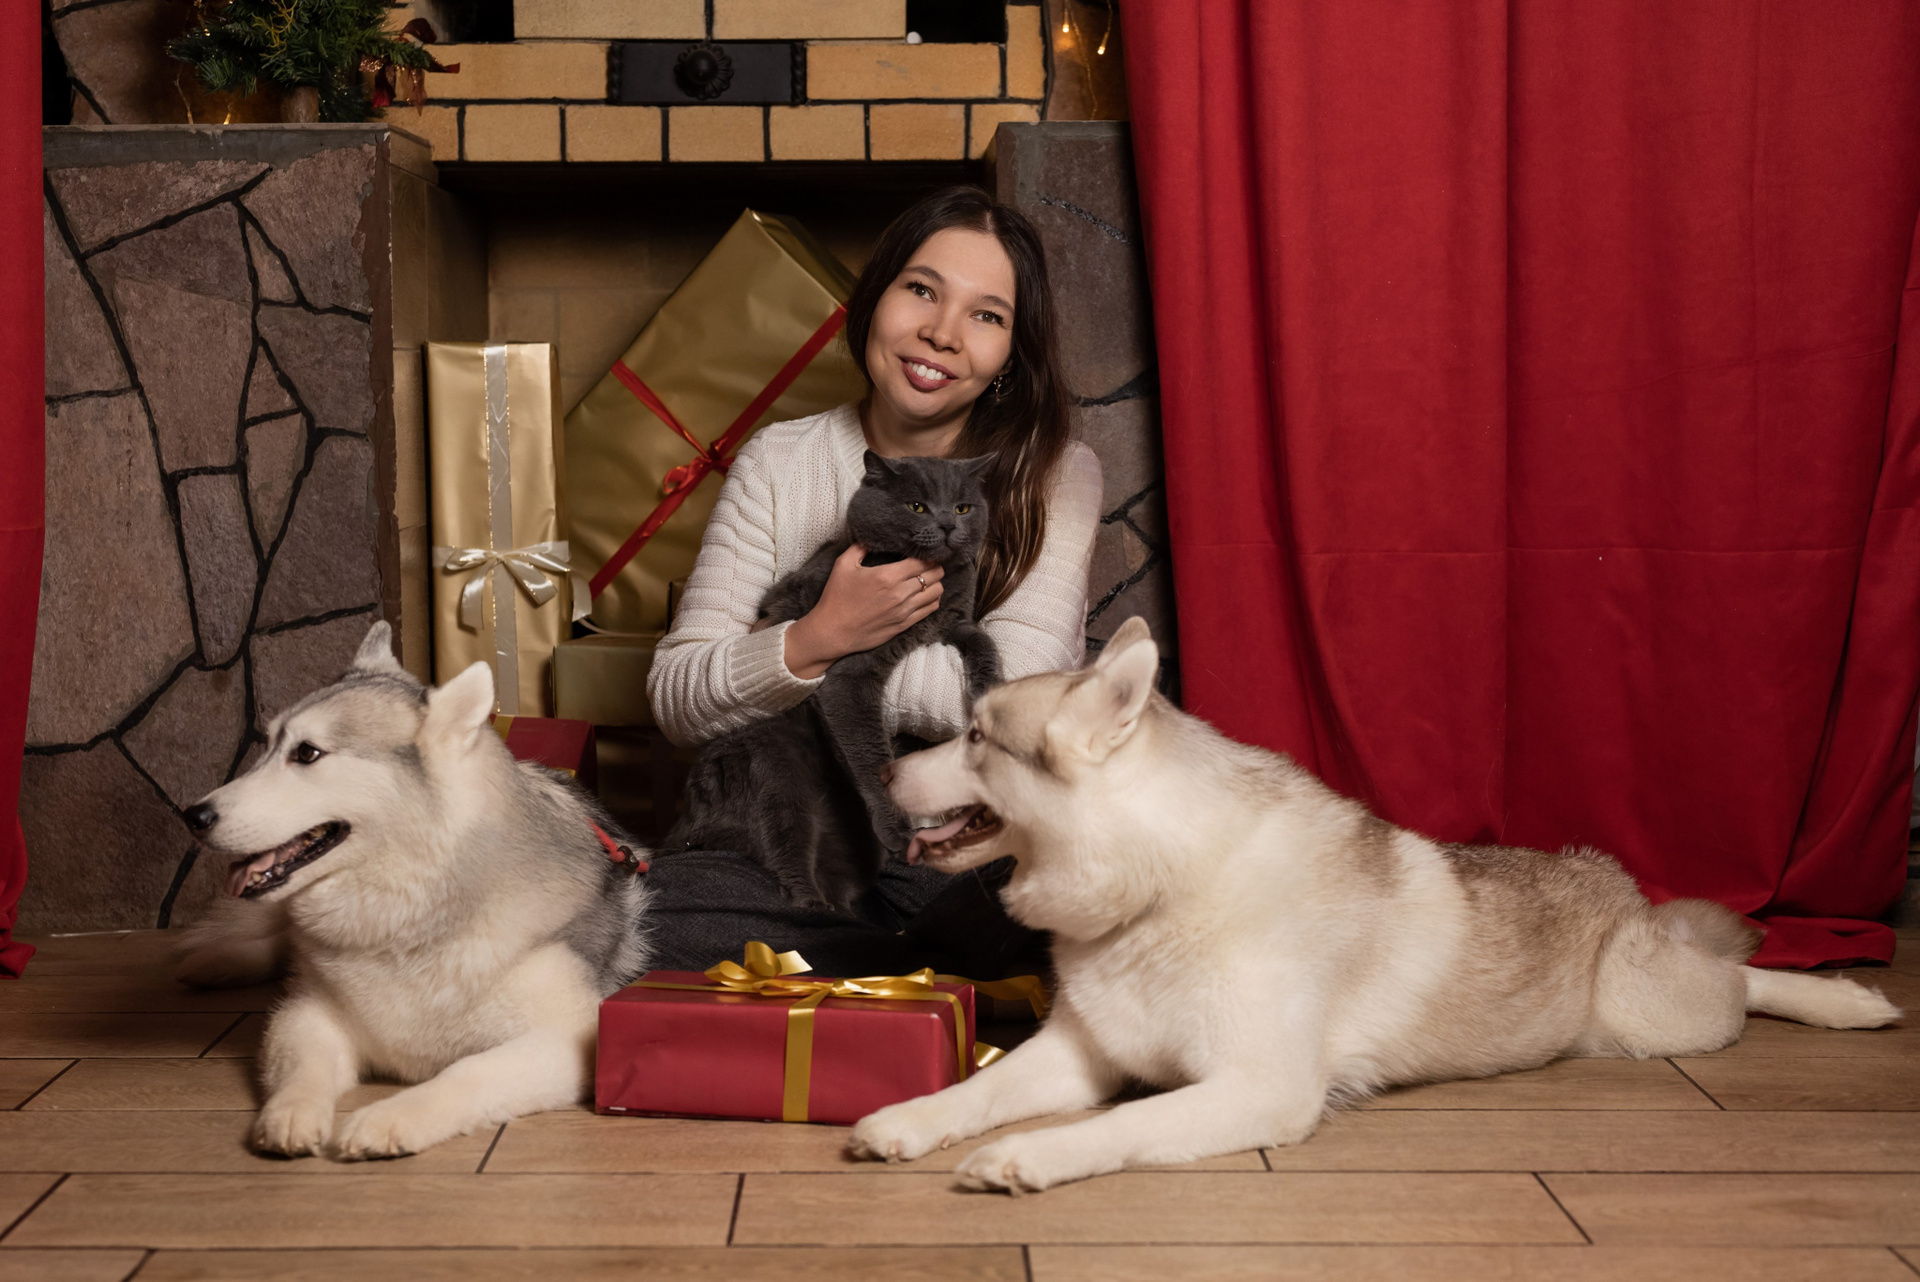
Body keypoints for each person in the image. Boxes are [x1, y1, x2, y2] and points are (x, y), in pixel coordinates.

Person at [643, 186, 1103, 977]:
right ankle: (905, 970)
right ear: (874, 298)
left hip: (960, 841)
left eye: (986, 316)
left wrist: (803, 659)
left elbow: (1017, 705)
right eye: (921, 289)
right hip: (787, 834)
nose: (942, 333)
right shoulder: (780, 461)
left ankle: (849, 963)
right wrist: (818, 635)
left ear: (1010, 355)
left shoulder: (1053, 475)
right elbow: (680, 696)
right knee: (646, 922)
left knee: (1077, 896)